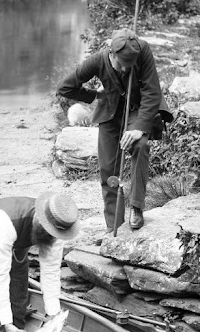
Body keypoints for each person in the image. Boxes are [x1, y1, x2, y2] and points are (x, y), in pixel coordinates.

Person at [57, 28, 173, 232]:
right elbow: (65, 87)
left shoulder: (142, 50)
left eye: (128, 66)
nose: (124, 70)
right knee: (108, 171)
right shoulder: (97, 60)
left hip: (138, 109)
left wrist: (138, 128)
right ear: (111, 52)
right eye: (120, 65)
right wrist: (94, 95)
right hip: (110, 113)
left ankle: (136, 207)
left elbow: (152, 92)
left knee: (140, 145)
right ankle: (114, 228)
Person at [0, 191, 80, 332]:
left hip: (16, 247)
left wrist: (54, 312)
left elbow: (51, 271)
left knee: (19, 303)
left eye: (54, 233)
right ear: (41, 220)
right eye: (49, 231)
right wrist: (7, 322)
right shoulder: (5, 221)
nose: (51, 236)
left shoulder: (57, 231)